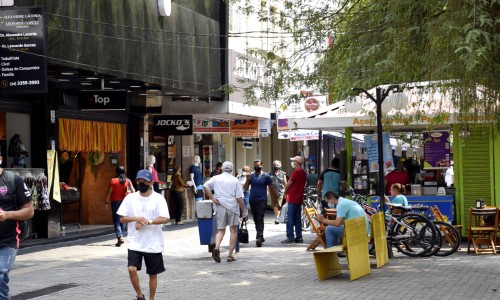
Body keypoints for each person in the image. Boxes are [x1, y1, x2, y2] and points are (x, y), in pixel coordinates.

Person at [117, 170, 170, 300]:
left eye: (145, 181)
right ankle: (140, 296)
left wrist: (147, 221)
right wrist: (136, 218)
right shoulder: (130, 198)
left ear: (151, 182)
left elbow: (165, 218)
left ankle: (152, 298)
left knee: (152, 274)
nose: (142, 184)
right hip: (135, 242)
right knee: (131, 269)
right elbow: (122, 218)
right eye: (139, 181)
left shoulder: (158, 198)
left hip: (153, 244)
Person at [0, 163, 34, 299]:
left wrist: (8, 215)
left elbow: (29, 210)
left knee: (1, 275)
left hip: (7, 242)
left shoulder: (13, 180)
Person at [203, 161, 247, 263]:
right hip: (232, 207)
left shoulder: (216, 178)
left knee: (220, 230)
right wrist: (244, 210)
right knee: (233, 231)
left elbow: (205, 186)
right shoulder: (235, 180)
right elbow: (239, 198)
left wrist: (212, 197)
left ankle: (217, 247)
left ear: (222, 169)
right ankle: (230, 255)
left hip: (220, 206)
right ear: (231, 170)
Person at [317, 191, 370, 256]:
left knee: (329, 229)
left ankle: (330, 255)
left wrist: (323, 220)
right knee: (332, 229)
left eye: (327, 202)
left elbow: (337, 223)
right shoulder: (344, 201)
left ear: (332, 198)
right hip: (362, 229)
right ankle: (334, 252)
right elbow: (340, 221)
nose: (328, 205)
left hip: (357, 231)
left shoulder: (341, 205)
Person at [244, 159, 277, 247]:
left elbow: (271, 188)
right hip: (252, 199)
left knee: (260, 217)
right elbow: (245, 189)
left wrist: (276, 201)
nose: (256, 167)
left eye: (258, 165)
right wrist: (247, 179)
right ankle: (260, 236)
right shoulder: (251, 176)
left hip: (262, 200)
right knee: (255, 218)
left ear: (262, 165)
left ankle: (259, 236)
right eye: (255, 165)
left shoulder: (266, 176)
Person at [105, 166, 135, 247]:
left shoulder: (113, 181)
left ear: (116, 172)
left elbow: (109, 192)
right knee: (122, 219)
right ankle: (121, 236)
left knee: (116, 220)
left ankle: (119, 236)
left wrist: (106, 203)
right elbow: (133, 191)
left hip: (115, 202)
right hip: (124, 202)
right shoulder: (127, 181)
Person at [281, 156, 307, 244]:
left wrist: (284, 191)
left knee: (290, 218)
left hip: (292, 197)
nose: (292, 163)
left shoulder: (296, 172)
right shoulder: (303, 172)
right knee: (297, 218)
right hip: (299, 197)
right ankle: (299, 237)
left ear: (296, 162)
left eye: (293, 161)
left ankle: (290, 237)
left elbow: (289, 183)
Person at [269, 160, 287, 224]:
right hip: (272, 192)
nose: (276, 166)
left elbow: (285, 183)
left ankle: (277, 217)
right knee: (274, 205)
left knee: (279, 204)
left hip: (281, 191)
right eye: (274, 165)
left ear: (280, 166)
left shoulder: (283, 173)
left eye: (277, 165)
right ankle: (277, 216)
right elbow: (268, 183)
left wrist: (286, 191)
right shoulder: (270, 174)